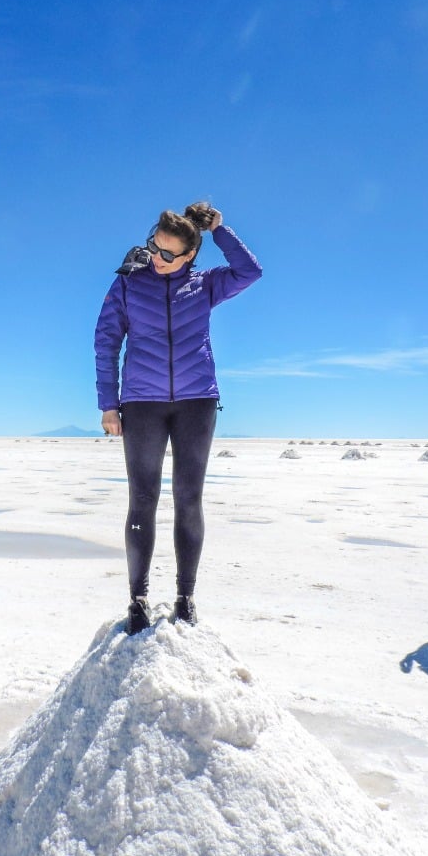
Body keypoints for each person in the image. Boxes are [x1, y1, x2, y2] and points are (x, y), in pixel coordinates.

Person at [94, 202, 262, 634]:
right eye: (154, 247)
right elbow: (106, 342)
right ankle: (138, 599)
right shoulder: (129, 284)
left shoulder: (204, 285)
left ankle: (186, 598)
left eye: (169, 254)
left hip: (196, 404)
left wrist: (221, 230)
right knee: (142, 500)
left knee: (189, 500)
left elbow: (250, 271)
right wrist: (108, 404)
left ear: (190, 255)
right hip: (142, 405)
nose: (158, 259)